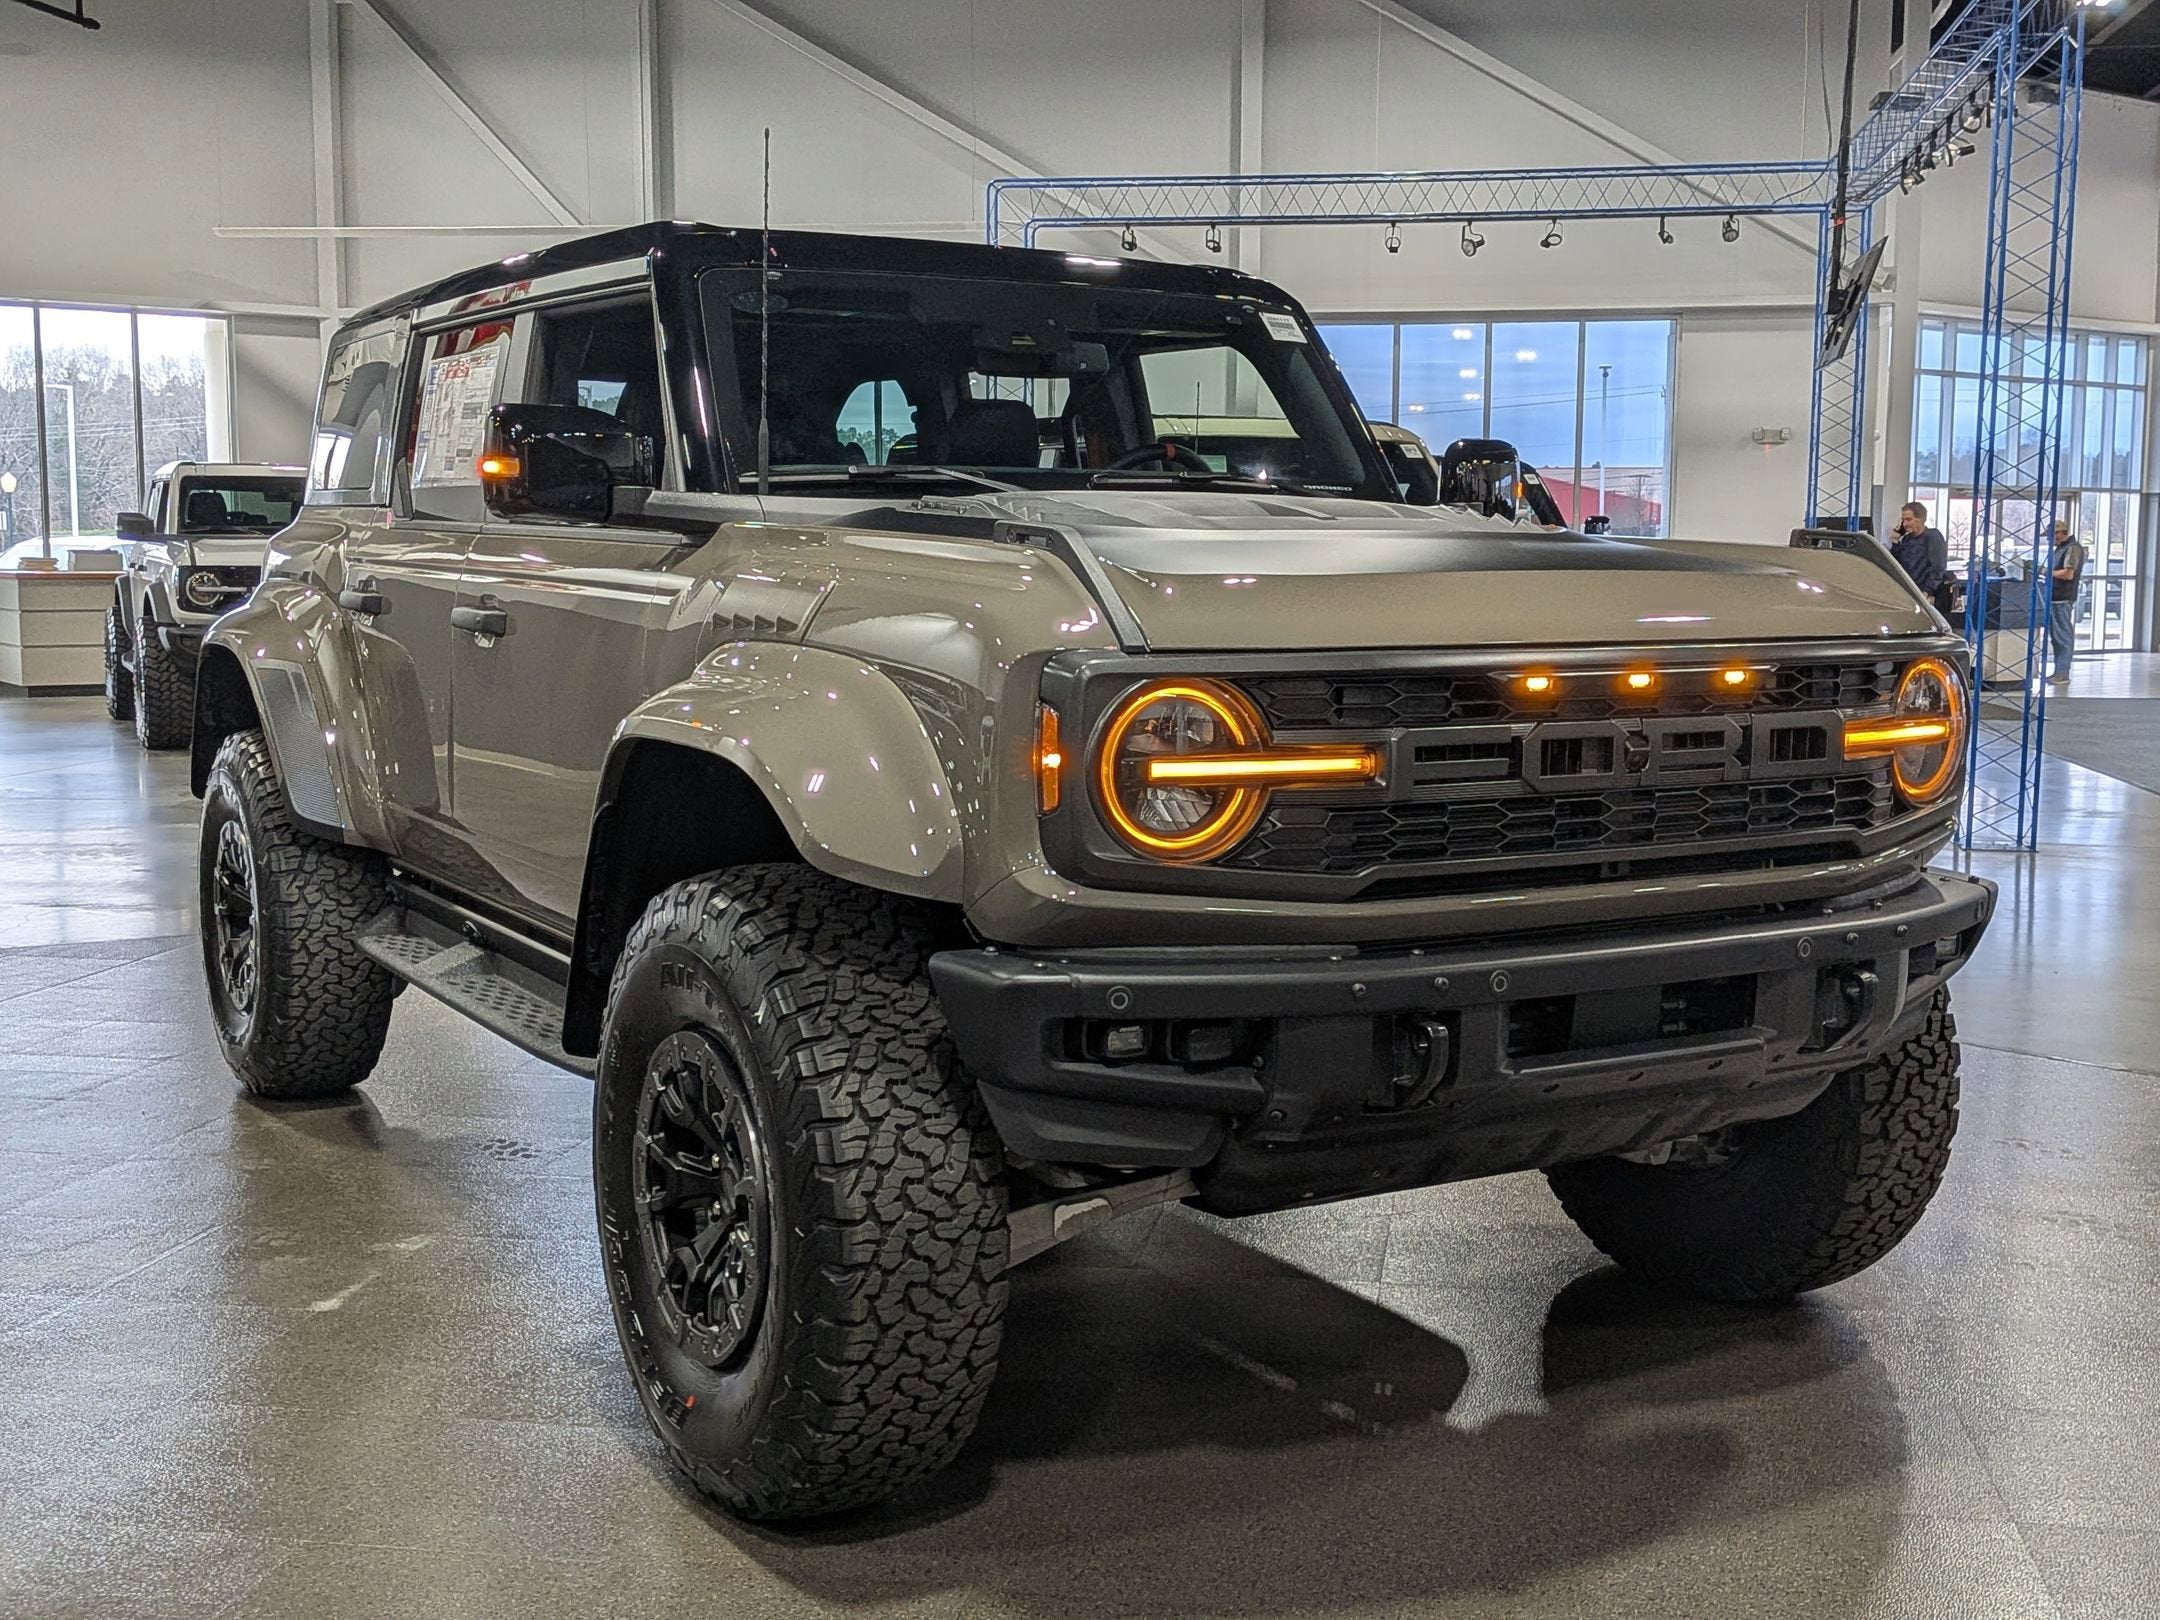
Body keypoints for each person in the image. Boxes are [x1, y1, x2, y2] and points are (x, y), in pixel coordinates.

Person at [1890, 501, 1952, 614]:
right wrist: (1895, 541)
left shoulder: (1933, 537)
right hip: (1909, 592)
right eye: (1903, 520)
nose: (1905, 524)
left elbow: (1938, 566)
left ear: (1920, 519)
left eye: (1908, 519)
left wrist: (1927, 591)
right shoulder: (1907, 539)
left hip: (1925, 594)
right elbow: (1895, 564)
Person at [2047, 519, 2086, 686]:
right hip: (2056, 597)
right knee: (2057, 637)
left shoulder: (2072, 549)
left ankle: (2063, 673)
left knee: (2062, 636)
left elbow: (2068, 574)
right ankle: (2059, 672)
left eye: (2051, 536)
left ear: (2060, 533)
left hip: (2062, 598)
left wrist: (2047, 572)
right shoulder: (2061, 548)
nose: (2049, 539)